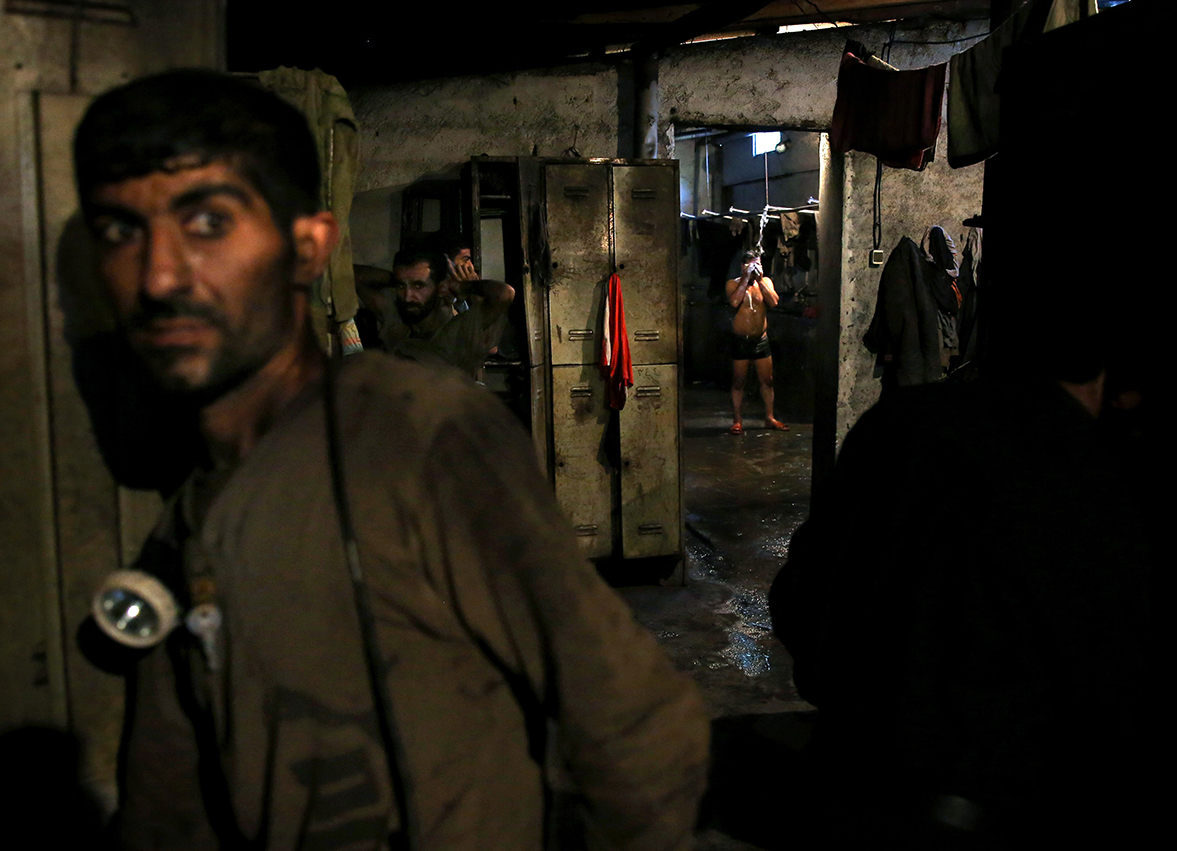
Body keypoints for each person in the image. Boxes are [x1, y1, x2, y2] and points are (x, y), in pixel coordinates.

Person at [74, 69, 708, 850]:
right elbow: (169, 794)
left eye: (207, 223)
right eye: (119, 232)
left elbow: (637, 728)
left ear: (307, 248)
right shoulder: (196, 509)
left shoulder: (418, 440)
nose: (159, 274)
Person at [768, 336, 1152, 850]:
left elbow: (798, 599)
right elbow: (1112, 688)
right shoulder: (1098, 473)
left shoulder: (898, 423)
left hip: (842, 787)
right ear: (1115, 386)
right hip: (991, 814)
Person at [386, 243, 514, 381]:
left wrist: (465, 287)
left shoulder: (453, 330)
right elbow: (360, 277)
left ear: (441, 287)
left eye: (418, 285)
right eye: (401, 285)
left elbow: (504, 293)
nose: (408, 296)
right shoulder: (400, 315)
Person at [725, 250, 787, 434]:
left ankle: (769, 417)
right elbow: (735, 302)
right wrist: (745, 279)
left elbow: (774, 302)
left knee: (767, 380)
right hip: (741, 341)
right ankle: (737, 420)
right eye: (751, 265)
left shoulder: (765, 282)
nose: (755, 269)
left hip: (761, 340)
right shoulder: (733, 284)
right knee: (739, 381)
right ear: (743, 266)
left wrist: (760, 280)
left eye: (758, 264)